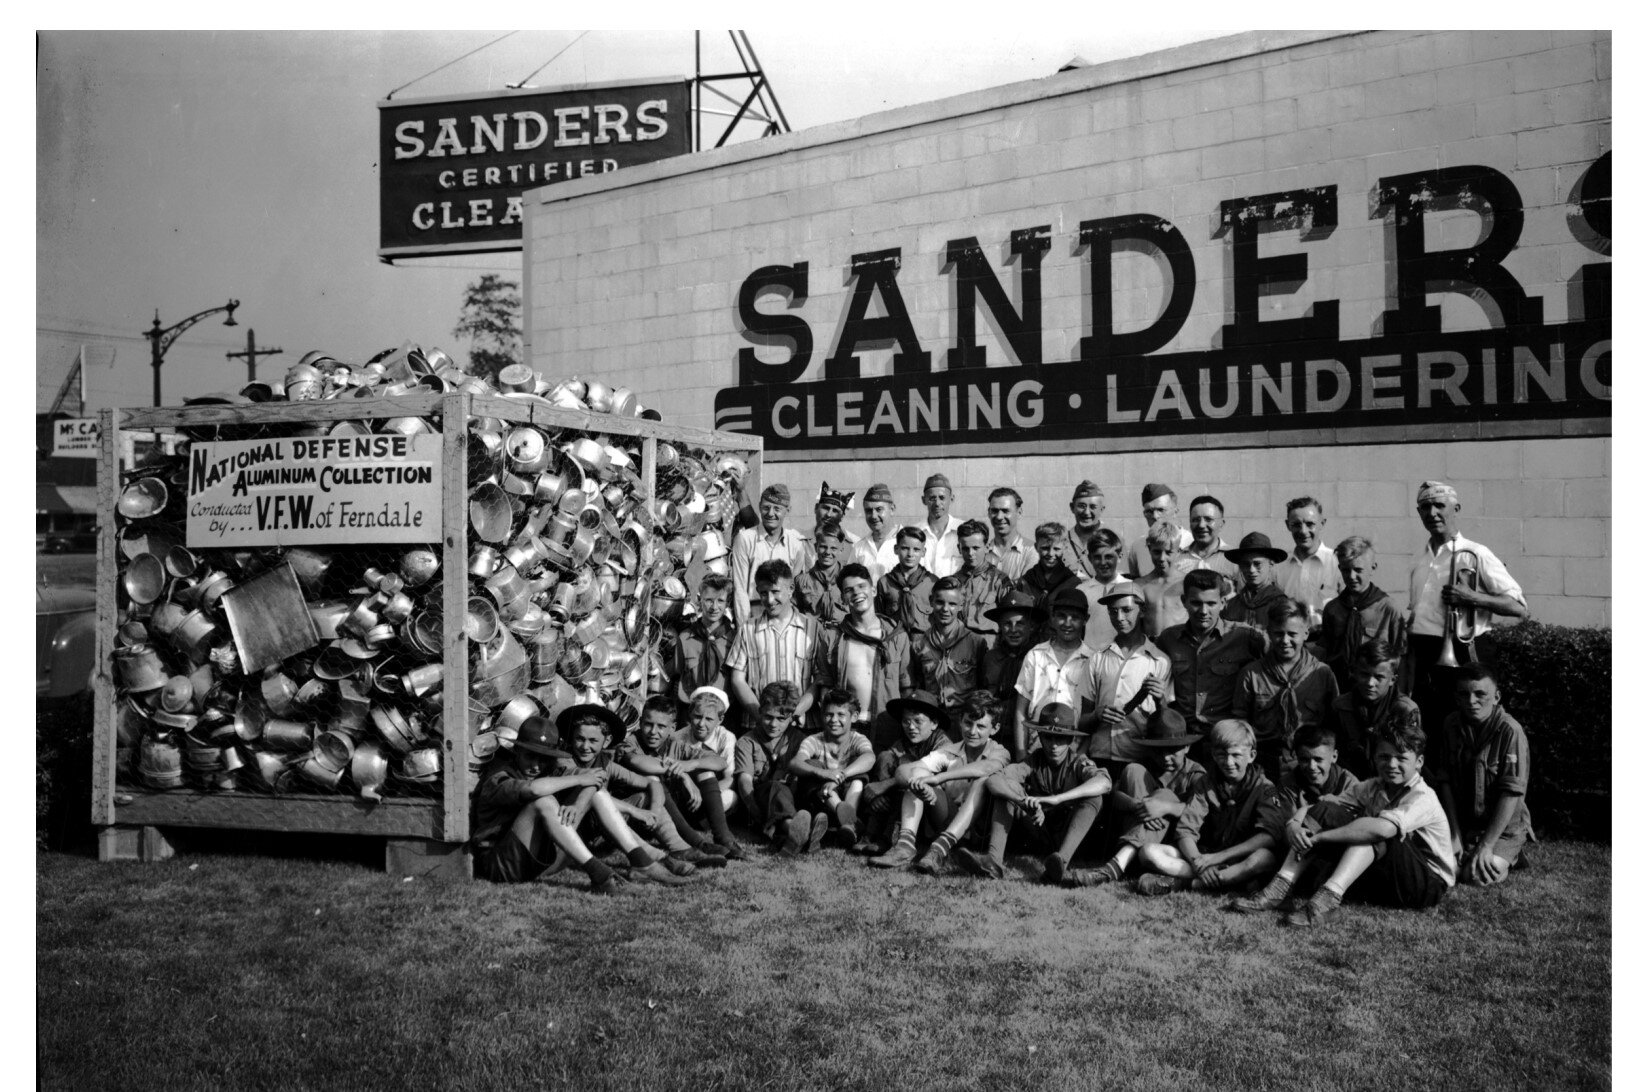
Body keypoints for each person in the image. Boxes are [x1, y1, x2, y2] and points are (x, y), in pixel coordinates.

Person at [1229, 712, 1454, 925]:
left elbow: (1382, 831)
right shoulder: (1373, 786)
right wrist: (1294, 824)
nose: (1391, 764)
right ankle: (1279, 888)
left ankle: (1327, 900)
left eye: (1401, 758)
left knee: (1374, 832)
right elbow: (1321, 807)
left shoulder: (1423, 796)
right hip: (1388, 877)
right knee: (1329, 810)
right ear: (1375, 757)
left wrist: (1320, 838)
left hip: (1425, 884)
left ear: (1420, 762)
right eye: (1384, 757)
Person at [1406, 479, 1527, 759]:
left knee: (1467, 738)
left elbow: (1519, 608)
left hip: (1464, 654)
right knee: (1432, 732)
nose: (1432, 512)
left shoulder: (1477, 553)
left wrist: (1471, 598)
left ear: (1456, 508)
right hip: (1425, 656)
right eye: (1425, 507)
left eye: (1440, 505)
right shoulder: (1418, 559)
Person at [472, 716, 630, 892]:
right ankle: (600, 874)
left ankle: (641, 861)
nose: (536, 766)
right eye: (530, 756)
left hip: (538, 861)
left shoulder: (549, 769)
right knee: (544, 801)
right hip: (501, 865)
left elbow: (597, 776)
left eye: (543, 759)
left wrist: (578, 805)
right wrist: (579, 779)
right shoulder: (499, 777)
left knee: (597, 792)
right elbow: (534, 790)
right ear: (517, 750)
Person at [556, 703, 719, 874]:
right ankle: (656, 858)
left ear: (607, 741)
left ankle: (679, 848)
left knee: (645, 796)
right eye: (580, 739)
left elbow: (652, 784)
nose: (585, 746)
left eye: (593, 741)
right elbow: (597, 796)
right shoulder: (565, 761)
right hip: (574, 827)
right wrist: (635, 811)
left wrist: (654, 811)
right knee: (603, 802)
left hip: (601, 825)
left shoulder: (606, 763)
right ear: (571, 737)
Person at [1056, 707, 1207, 888]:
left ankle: (1115, 867)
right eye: (1159, 750)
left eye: (1173, 751)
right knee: (1133, 770)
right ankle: (1126, 859)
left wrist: (1165, 807)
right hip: (1138, 836)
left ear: (1187, 747)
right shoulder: (1147, 765)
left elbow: (1203, 812)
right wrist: (1138, 805)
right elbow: (1114, 796)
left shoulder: (1196, 774)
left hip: (1170, 846)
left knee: (1164, 795)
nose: (1166, 757)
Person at [1134, 718, 1281, 897]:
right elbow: (1186, 830)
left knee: (1263, 858)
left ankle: (1189, 884)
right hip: (1206, 857)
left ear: (1251, 755)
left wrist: (1219, 858)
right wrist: (1199, 863)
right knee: (1148, 852)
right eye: (1221, 755)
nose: (1228, 762)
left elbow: (1268, 837)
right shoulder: (1206, 783)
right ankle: (1228, 882)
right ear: (1213, 754)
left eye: (1236, 755)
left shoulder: (1264, 788)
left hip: (1240, 858)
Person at [869, 690, 1011, 873]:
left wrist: (938, 778)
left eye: (981, 726)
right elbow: (903, 770)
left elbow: (986, 768)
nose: (972, 731)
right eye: (968, 723)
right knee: (917, 773)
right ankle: (905, 845)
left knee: (983, 780)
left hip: (978, 830)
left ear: (995, 729)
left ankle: (939, 850)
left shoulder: (1000, 752)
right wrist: (919, 784)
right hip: (947, 819)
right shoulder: (950, 751)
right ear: (960, 721)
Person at [968, 702, 1111, 881]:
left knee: (1095, 798)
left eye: (1060, 739)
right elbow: (994, 779)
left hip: (1068, 834)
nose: (1053, 745)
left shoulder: (1079, 763)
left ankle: (1060, 863)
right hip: (1038, 830)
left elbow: (1104, 783)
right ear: (1041, 737)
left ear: (1069, 740)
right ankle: (993, 861)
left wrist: (1058, 799)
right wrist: (1023, 802)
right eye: (1048, 737)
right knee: (1007, 789)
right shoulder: (1033, 761)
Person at [1441, 664, 1532, 887]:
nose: (1471, 701)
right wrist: (1454, 836)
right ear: (1457, 697)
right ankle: (1472, 848)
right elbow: (1445, 782)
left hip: (1502, 831)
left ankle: (1512, 854)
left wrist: (1487, 845)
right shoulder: (1450, 724)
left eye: (1480, 694)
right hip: (1464, 825)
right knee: (1446, 868)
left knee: (1474, 877)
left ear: (1496, 696)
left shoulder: (1510, 731)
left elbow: (1511, 794)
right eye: (1464, 694)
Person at [1156, 569, 1267, 750]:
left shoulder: (1244, 636)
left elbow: (1278, 660)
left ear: (1223, 602)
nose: (1203, 611)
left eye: (1211, 603)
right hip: (1182, 740)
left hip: (1226, 740)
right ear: (1184, 601)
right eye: (1196, 603)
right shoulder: (1168, 639)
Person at [1231, 598, 1339, 781]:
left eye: (1292, 634)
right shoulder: (1252, 674)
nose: (1285, 641)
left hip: (1307, 764)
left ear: (1306, 633)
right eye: (1278, 634)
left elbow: (1334, 723)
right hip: (1263, 763)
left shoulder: (1322, 674)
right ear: (1269, 633)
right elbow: (1240, 724)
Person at [812, 563, 912, 746]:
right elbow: (825, 686)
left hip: (887, 727)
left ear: (873, 590)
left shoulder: (896, 636)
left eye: (861, 586)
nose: (857, 593)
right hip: (847, 729)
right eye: (849, 590)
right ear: (843, 598)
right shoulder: (833, 637)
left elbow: (906, 687)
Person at [1078, 581, 1170, 775]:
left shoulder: (1159, 661)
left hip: (1141, 761)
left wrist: (1160, 700)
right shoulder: (1098, 658)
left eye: (1127, 610)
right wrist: (1097, 714)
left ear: (1142, 611)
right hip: (1099, 760)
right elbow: (1082, 722)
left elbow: (1168, 724)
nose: (1119, 618)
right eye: (1113, 611)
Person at [618, 696, 729, 856]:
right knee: (653, 778)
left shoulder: (675, 744)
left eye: (661, 726)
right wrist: (683, 774)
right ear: (641, 722)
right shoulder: (631, 741)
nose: (653, 732)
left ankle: (725, 839)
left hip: (674, 814)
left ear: (672, 728)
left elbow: (720, 762)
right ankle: (697, 842)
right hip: (641, 816)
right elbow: (637, 761)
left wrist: (691, 764)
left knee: (706, 771)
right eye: (648, 724)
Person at [855, 689, 956, 855]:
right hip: (904, 803)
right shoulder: (904, 742)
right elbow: (888, 765)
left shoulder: (943, 744)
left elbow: (927, 778)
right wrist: (878, 794)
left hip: (934, 810)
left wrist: (884, 785)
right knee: (885, 757)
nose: (911, 727)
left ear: (934, 723)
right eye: (906, 721)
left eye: (918, 721)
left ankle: (888, 837)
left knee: (909, 771)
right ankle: (872, 832)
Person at [655, 687, 749, 860]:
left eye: (708, 719)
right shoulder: (678, 737)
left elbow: (729, 778)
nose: (701, 723)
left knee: (730, 795)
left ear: (720, 720)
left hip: (710, 795)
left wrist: (703, 789)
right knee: (701, 772)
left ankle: (720, 835)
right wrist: (690, 784)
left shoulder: (726, 737)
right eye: (697, 717)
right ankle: (698, 827)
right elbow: (668, 773)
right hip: (684, 796)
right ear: (690, 715)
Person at [726, 559, 819, 727]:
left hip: (800, 725)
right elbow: (738, 679)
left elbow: (819, 679)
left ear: (791, 590)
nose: (769, 600)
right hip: (758, 725)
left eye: (776, 592)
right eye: (763, 593)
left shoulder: (812, 628)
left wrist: (796, 712)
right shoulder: (748, 629)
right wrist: (760, 715)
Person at [787, 686, 877, 849]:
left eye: (841, 714)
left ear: (854, 716)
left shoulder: (857, 739)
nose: (834, 720)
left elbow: (870, 758)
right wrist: (823, 773)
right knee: (811, 765)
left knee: (859, 775)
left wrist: (840, 776)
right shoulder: (814, 740)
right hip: (821, 798)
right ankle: (850, 822)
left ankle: (847, 818)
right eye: (829, 714)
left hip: (848, 793)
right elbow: (795, 763)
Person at [1316, 536, 1408, 693]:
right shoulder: (1332, 609)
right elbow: (1327, 654)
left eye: (1358, 570)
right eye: (1345, 570)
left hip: (1375, 692)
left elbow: (1402, 659)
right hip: (1340, 690)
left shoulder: (1389, 609)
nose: (1351, 577)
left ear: (1373, 567)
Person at [1012, 587, 1095, 756]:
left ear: (1085, 620)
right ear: (1052, 618)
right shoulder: (1036, 655)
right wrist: (1021, 754)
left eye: (1075, 618)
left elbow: (1091, 716)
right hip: (1036, 749)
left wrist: (1080, 756)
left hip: (1072, 751)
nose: (1067, 623)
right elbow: (1021, 710)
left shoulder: (1092, 660)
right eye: (1062, 616)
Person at [733, 681, 813, 856]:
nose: (773, 724)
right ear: (760, 712)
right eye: (768, 717)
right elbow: (744, 782)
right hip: (760, 802)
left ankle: (792, 837)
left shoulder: (800, 740)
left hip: (793, 799)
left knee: (813, 769)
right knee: (775, 787)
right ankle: (793, 828)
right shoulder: (747, 742)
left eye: (781, 719)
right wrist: (757, 815)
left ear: (791, 717)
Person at [1328, 639, 1419, 779]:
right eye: (1364, 674)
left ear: (1393, 680)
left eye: (1379, 677)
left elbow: (1409, 761)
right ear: (1355, 673)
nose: (1370, 683)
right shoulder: (1340, 707)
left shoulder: (1405, 710)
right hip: (1350, 784)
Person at [727, 483, 810, 623]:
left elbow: (794, 590)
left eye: (777, 508)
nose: (770, 513)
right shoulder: (745, 539)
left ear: (787, 510)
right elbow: (740, 589)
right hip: (754, 614)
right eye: (766, 507)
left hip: (785, 617)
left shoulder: (796, 544)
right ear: (759, 506)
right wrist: (745, 628)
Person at [978, 590, 1047, 754]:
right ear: (1000, 626)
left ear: (1031, 626)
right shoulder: (990, 658)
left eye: (1020, 623)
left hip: (1028, 738)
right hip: (994, 737)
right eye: (1007, 624)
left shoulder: (1039, 658)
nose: (1013, 630)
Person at [910, 576, 988, 710]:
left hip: (964, 719)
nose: (945, 609)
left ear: (961, 606)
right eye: (940, 602)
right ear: (931, 602)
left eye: (952, 604)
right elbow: (918, 684)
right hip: (933, 716)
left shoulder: (976, 642)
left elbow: (983, 685)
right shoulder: (919, 644)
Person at [668, 572, 736, 710]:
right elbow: (676, 670)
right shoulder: (685, 638)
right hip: (691, 710)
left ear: (727, 603)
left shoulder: (734, 639)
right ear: (700, 600)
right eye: (709, 600)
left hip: (724, 712)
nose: (714, 607)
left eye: (720, 601)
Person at [1272, 723, 1360, 821]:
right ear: (1297, 757)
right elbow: (1288, 825)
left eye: (1318, 760)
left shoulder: (1350, 784)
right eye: (1304, 759)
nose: (1312, 767)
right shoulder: (1287, 785)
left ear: (1334, 757)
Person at [1276, 497, 1340, 627]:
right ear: (1288, 525)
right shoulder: (1279, 569)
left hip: (1327, 643)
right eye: (1296, 524)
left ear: (1322, 523)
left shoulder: (1338, 563)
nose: (1303, 531)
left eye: (1310, 524)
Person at [953, 519, 1013, 639]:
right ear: (959, 548)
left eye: (976, 548)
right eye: (965, 548)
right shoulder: (953, 582)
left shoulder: (999, 580)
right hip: (959, 645)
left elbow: (1010, 620)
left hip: (989, 646)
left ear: (987, 547)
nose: (971, 553)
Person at [1219, 531, 1289, 630]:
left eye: (1257, 564)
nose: (1251, 570)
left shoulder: (1281, 604)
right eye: (1246, 564)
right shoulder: (1231, 605)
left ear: (1271, 564)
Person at [1171, 495, 1238, 595]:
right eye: (1196, 520)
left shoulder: (1234, 560)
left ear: (1221, 524)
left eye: (1208, 519)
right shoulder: (1176, 559)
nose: (1201, 525)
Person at [876, 525, 935, 637]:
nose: (910, 554)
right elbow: (879, 618)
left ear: (923, 552)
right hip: (894, 643)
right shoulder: (884, 583)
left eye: (916, 549)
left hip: (924, 644)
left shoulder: (932, 583)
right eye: (905, 548)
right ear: (896, 549)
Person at [1134, 519, 1188, 640]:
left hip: (1179, 648)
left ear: (1178, 552)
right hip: (1149, 651)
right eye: (1157, 552)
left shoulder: (1186, 583)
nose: (1162, 558)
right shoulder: (1140, 585)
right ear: (1149, 549)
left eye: (1168, 552)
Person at [1126, 483, 1193, 579]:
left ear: (1175, 512)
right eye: (1149, 511)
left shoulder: (1192, 543)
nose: (1155, 516)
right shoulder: (1138, 546)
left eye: (1161, 510)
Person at [1018, 521, 1083, 614]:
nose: (1050, 554)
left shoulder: (1073, 583)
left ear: (1065, 548)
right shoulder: (1025, 581)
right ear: (1036, 547)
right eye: (1045, 548)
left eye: (1056, 549)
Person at [1079, 529, 1128, 652]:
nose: (1103, 562)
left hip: (1121, 657)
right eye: (1097, 557)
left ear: (1120, 556)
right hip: (1090, 657)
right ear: (1089, 558)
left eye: (1109, 557)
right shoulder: (1082, 591)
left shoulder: (1129, 587)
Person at [792, 521, 849, 628]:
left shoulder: (850, 580)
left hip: (842, 636)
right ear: (815, 547)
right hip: (811, 636)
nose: (827, 552)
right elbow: (793, 613)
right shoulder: (802, 581)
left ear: (841, 549)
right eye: (823, 546)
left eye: (833, 548)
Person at [985, 487, 1040, 582]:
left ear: (1019, 512)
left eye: (1005, 511)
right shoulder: (981, 552)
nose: (999, 517)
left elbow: (1024, 591)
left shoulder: (1032, 552)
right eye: (994, 511)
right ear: (989, 513)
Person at [918, 472, 965, 577]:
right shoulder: (915, 532)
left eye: (942, 498)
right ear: (923, 500)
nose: (937, 503)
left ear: (951, 498)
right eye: (932, 498)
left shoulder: (964, 531)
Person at [853, 483, 900, 584]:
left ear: (892, 509)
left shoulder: (909, 543)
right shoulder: (859, 548)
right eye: (869, 511)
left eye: (879, 509)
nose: (874, 516)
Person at [807, 482, 860, 566]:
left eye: (835, 511)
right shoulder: (799, 540)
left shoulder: (855, 545)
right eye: (825, 508)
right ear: (816, 508)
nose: (829, 514)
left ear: (842, 516)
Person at [1062, 479, 1107, 576]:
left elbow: (1121, 583)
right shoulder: (1061, 541)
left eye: (1093, 507)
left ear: (1102, 509)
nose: (1086, 512)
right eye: (1081, 506)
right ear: (1072, 507)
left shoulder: (1114, 541)